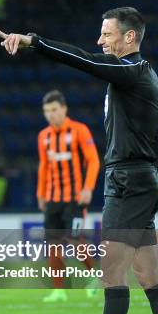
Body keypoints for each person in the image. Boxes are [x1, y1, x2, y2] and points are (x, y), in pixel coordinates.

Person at [0, 7, 158, 314]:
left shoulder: (132, 71)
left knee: (111, 272)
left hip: (130, 182)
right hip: (132, 180)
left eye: (108, 34)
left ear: (129, 37)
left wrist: (35, 42)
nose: (100, 41)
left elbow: (84, 60)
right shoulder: (134, 76)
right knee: (148, 274)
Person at [37, 90, 100, 303]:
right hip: (53, 198)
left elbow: (93, 161)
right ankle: (59, 291)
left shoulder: (79, 130)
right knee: (53, 244)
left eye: (54, 110)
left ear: (64, 109)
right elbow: (44, 166)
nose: (50, 115)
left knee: (74, 240)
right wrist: (41, 193)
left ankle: (93, 276)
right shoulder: (43, 136)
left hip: (74, 198)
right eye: (47, 111)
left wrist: (88, 188)